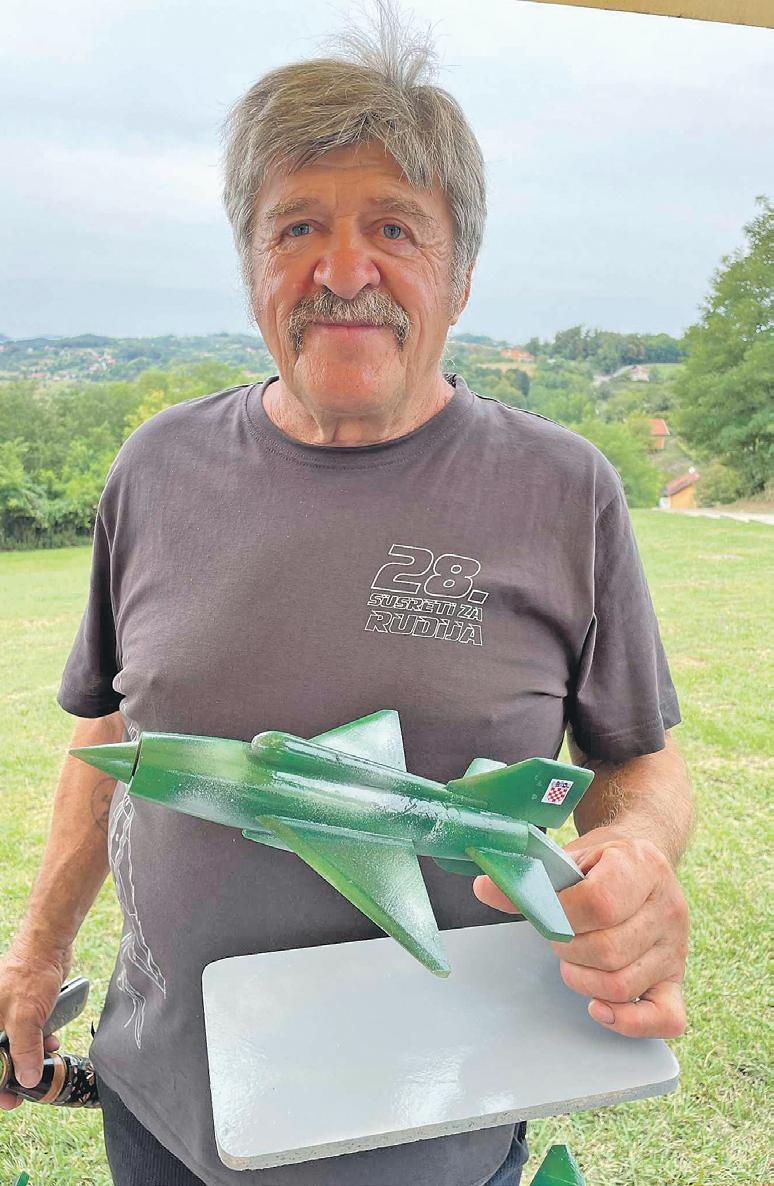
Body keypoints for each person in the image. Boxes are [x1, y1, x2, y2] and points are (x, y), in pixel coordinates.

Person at [0, 5, 692, 1184]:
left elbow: (637, 765)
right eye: (298, 227)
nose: (342, 272)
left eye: (393, 227)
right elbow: (111, 733)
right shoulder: (155, 467)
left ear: (460, 275)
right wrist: (34, 953)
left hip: (432, 1131)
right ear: (252, 269)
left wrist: (633, 850)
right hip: (164, 1109)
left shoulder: (564, 490)